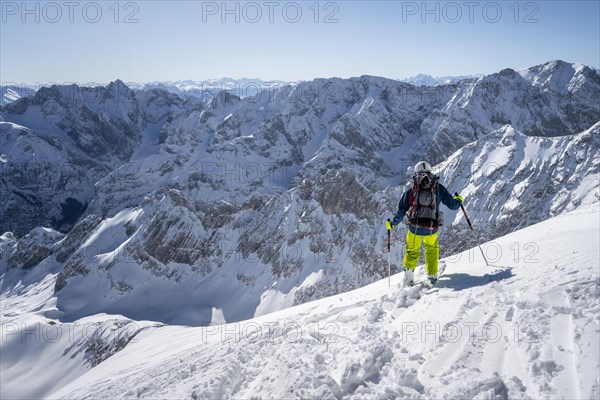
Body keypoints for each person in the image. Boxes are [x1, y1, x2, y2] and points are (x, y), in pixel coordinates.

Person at [387, 161, 463, 286]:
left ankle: (408, 279)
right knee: (432, 250)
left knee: (412, 251)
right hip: (432, 228)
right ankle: (432, 277)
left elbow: (401, 210)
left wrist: (392, 224)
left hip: (414, 227)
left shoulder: (412, 191)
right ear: (430, 172)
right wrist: (459, 200)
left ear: (416, 174)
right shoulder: (438, 188)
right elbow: (452, 205)